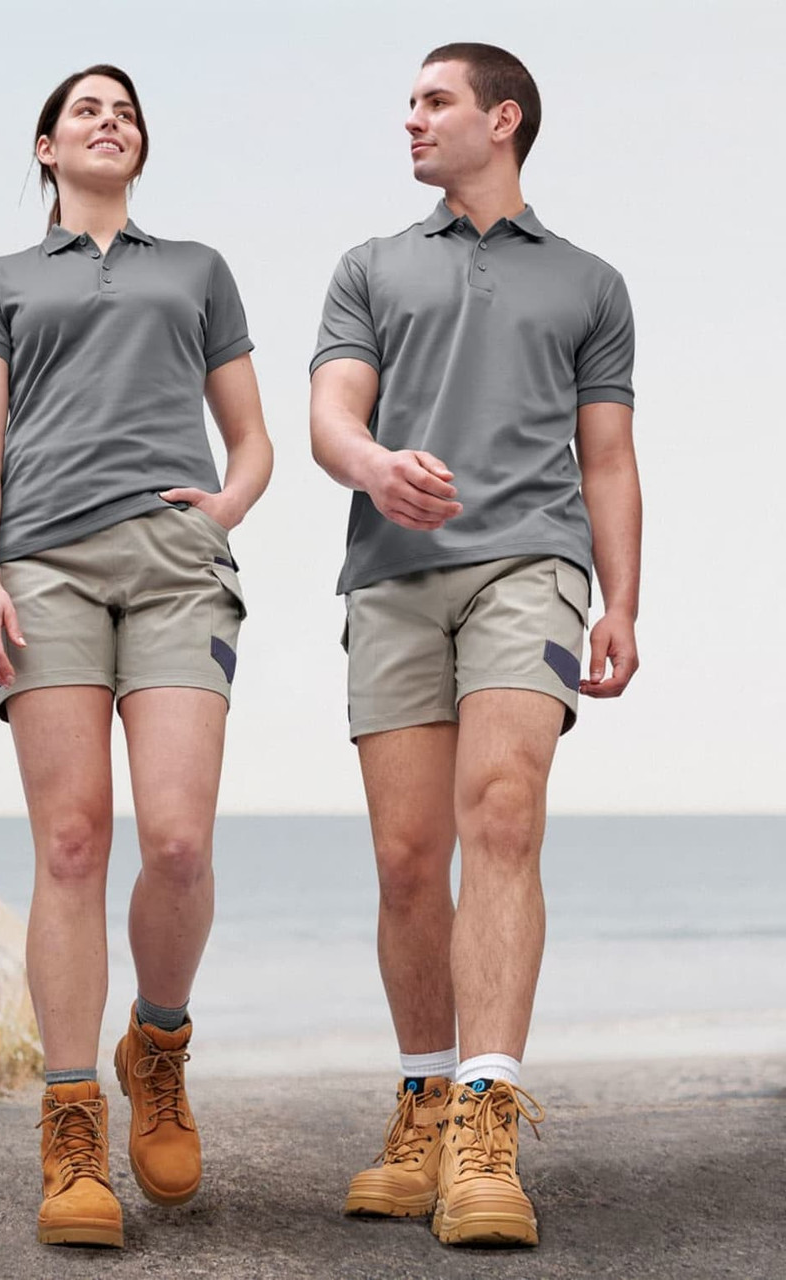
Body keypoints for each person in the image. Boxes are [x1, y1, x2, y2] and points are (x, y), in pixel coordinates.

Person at [310, 42, 640, 1249]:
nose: (410, 120)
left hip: (531, 564)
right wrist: (374, 464)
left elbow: (605, 455)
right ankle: (424, 1098)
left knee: (502, 811)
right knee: (408, 857)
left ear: (501, 120)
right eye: (406, 101)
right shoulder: (370, 266)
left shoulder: (589, 283)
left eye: (433, 101)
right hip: (391, 579)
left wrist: (621, 599)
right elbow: (330, 413)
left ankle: (487, 1119)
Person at [0, 64, 272, 1249]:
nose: (109, 120)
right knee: (74, 837)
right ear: (45, 147)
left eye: (127, 111)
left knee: (178, 838)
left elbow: (252, 438)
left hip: (178, 565)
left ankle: (161, 1043)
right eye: (86, 108)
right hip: (43, 567)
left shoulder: (195, 269)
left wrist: (221, 508)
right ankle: (74, 1122)